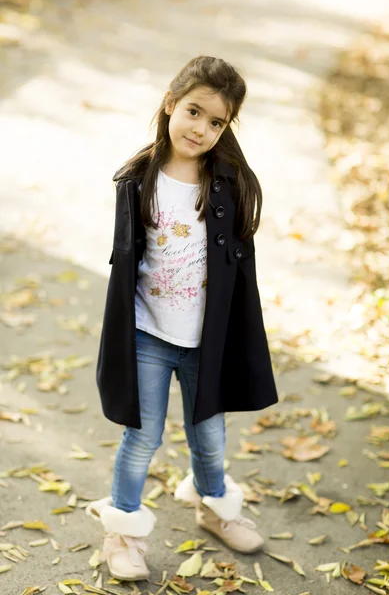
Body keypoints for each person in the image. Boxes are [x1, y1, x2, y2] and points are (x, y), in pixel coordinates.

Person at [86, 55, 278, 582]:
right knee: (141, 438)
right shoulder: (136, 179)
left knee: (209, 438)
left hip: (204, 341)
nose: (202, 128)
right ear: (170, 104)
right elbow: (126, 264)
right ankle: (121, 532)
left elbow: (240, 272)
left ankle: (214, 507)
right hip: (148, 332)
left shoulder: (228, 183)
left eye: (216, 122)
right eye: (194, 112)